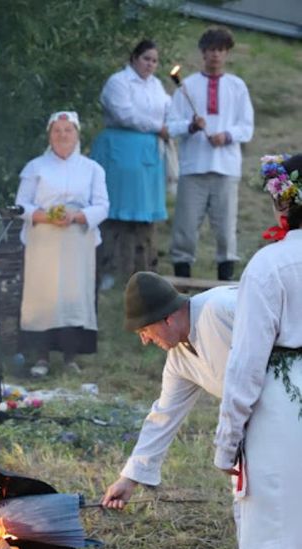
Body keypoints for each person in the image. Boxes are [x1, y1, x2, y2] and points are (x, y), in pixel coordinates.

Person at [213, 153, 302, 549]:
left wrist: (227, 444)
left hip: (283, 419)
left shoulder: (271, 265)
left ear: (283, 201)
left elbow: (245, 366)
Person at [102, 271, 237, 510]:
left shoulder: (221, 309)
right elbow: (164, 415)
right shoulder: (179, 358)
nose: (144, 340)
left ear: (168, 318)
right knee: (249, 503)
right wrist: (129, 478)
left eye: (144, 330)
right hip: (255, 425)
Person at [15, 111, 109, 377]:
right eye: (57, 130)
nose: (62, 135)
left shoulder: (92, 169)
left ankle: (70, 357)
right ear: (49, 135)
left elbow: (102, 206)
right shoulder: (35, 167)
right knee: (43, 296)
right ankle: (41, 357)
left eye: (68, 130)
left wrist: (76, 216)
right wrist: (47, 217)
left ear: (77, 134)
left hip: (77, 239)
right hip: (43, 240)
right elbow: (21, 205)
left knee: (74, 296)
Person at [167, 27, 254, 280]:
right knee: (185, 229)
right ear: (203, 53)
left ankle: (225, 284)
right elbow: (171, 125)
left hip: (225, 169)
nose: (215, 55)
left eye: (220, 50)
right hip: (193, 168)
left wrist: (226, 136)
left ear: (226, 54)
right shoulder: (187, 86)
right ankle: (182, 282)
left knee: (226, 230)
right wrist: (191, 126)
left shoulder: (237, 86)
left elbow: (246, 127)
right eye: (211, 50)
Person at [91, 39, 171, 286]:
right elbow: (125, 114)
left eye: (154, 61)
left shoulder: (156, 85)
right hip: (120, 150)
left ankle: (142, 269)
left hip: (148, 154)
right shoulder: (118, 82)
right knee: (115, 213)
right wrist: (157, 126)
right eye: (146, 59)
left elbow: (168, 112)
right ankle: (107, 269)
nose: (150, 64)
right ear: (134, 58)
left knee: (143, 218)